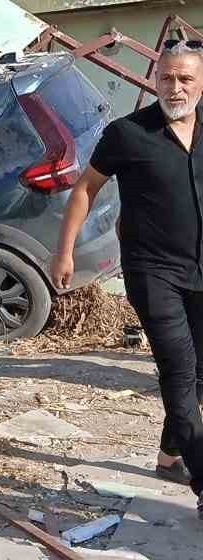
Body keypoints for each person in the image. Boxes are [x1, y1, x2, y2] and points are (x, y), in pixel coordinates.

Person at [51, 41, 203, 515]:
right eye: (166, 78)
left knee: (199, 375)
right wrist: (65, 251)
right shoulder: (128, 133)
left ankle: (169, 454)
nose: (174, 88)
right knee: (179, 374)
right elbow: (84, 189)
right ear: (155, 79)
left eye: (185, 79)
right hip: (152, 271)